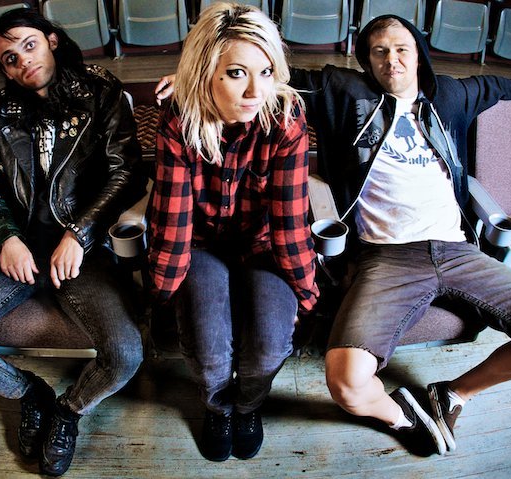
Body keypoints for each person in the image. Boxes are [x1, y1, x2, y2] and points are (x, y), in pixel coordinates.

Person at [284, 15, 511, 456]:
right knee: (345, 383)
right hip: (384, 257)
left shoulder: (451, 96)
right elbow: (273, 75)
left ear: (419, 53)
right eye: (379, 51)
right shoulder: (342, 91)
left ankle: (454, 394)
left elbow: (498, 85)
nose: (392, 59)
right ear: (367, 60)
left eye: (401, 49)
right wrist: (200, 77)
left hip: (458, 251)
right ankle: (402, 416)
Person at [0, 8, 147, 476]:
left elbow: (127, 172)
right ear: (5, 69)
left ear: (51, 41)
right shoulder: (2, 109)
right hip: (20, 251)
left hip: (83, 252)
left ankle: (68, 410)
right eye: (10, 57)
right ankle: (31, 393)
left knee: (126, 355)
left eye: (29, 45)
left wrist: (79, 233)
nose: (23, 60)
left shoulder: (100, 90)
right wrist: (6, 237)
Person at [147, 3, 319, 462]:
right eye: (237, 73)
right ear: (206, 73)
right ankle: (217, 408)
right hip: (202, 242)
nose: (255, 91)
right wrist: (162, 296)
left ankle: (248, 406)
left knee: (269, 345)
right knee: (207, 350)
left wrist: (306, 297)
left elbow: (289, 223)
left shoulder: (285, 118)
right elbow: (173, 224)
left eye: (266, 72)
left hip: (264, 243)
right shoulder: (179, 120)